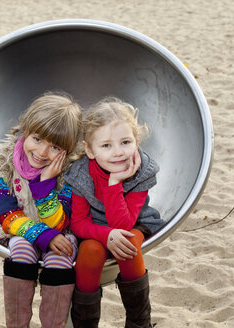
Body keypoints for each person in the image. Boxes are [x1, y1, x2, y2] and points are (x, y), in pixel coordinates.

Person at [64, 97, 165, 328]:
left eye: (126, 142)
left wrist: (114, 183)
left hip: (134, 223)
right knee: (89, 251)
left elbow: (124, 223)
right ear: (89, 150)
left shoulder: (143, 171)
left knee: (128, 245)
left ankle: (139, 323)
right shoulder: (81, 174)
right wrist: (104, 235)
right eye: (106, 145)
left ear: (136, 141)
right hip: (95, 227)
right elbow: (78, 221)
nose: (118, 153)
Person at [0, 92, 83, 328]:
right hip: (22, 230)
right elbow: (6, 215)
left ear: (68, 150)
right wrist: (41, 235)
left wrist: (45, 185)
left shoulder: (71, 173)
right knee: (20, 250)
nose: (42, 152)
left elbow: (59, 225)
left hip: (61, 233)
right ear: (25, 131)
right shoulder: (4, 163)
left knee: (61, 257)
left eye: (55, 147)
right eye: (38, 139)